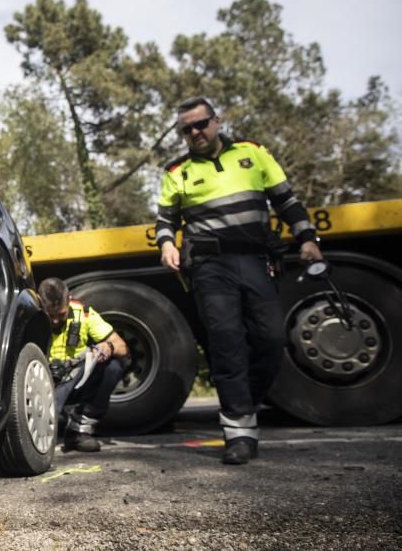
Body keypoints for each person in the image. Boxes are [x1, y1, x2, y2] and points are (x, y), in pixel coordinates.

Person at [155, 96, 322, 465]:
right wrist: (167, 245)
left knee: (271, 337)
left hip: (254, 258)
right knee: (226, 341)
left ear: (216, 121)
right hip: (210, 266)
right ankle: (239, 432)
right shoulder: (176, 172)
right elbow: (166, 220)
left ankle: (247, 399)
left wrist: (307, 237)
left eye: (201, 124)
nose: (195, 132)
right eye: (187, 129)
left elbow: (285, 199)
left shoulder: (253, 153)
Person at [38, 277, 128, 452]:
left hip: (74, 381)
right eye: (50, 315)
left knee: (114, 366)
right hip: (40, 384)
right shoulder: (30, 318)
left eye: (61, 315)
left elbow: (122, 347)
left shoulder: (85, 315)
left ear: (69, 300)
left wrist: (107, 346)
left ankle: (78, 431)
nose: (55, 321)